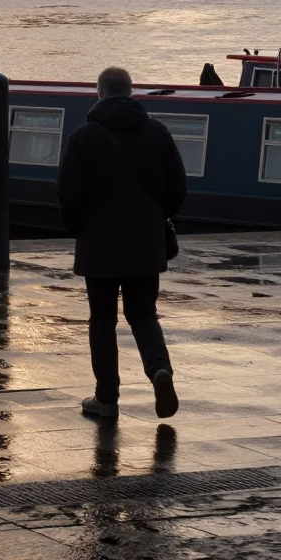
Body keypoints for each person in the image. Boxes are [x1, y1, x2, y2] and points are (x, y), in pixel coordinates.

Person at [57, 65, 187, 421]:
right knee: (143, 314)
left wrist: (79, 228)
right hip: (145, 243)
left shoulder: (83, 138)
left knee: (102, 321)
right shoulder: (158, 133)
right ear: (131, 93)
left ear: (98, 93)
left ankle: (107, 399)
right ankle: (160, 371)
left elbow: (67, 195)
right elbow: (177, 188)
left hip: (98, 246)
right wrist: (155, 216)